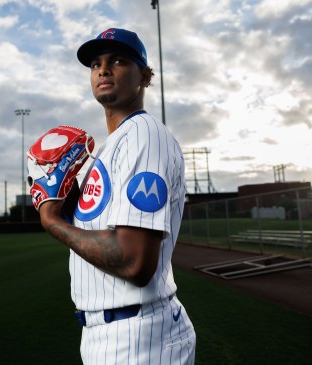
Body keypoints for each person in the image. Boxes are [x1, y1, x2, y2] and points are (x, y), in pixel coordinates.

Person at [38, 27, 196, 364]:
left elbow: (132, 260)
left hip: (139, 337)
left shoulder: (145, 136)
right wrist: (67, 206)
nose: (103, 70)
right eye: (96, 64)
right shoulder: (111, 148)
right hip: (108, 332)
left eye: (119, 61)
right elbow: (100, 235)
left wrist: (52, 222)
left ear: (144, 76)